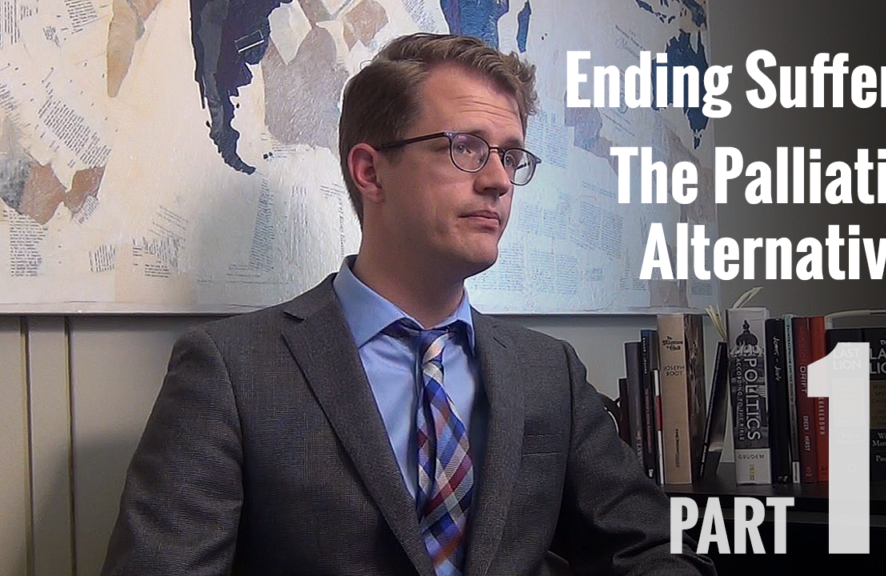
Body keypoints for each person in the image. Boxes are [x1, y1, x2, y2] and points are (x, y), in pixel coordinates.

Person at [102, 33, 715, 576]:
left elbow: (651, 548)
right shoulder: (230, 371)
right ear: (370, 172)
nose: (498, 180)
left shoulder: (548, 371)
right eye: (466, 147)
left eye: (509, 155)